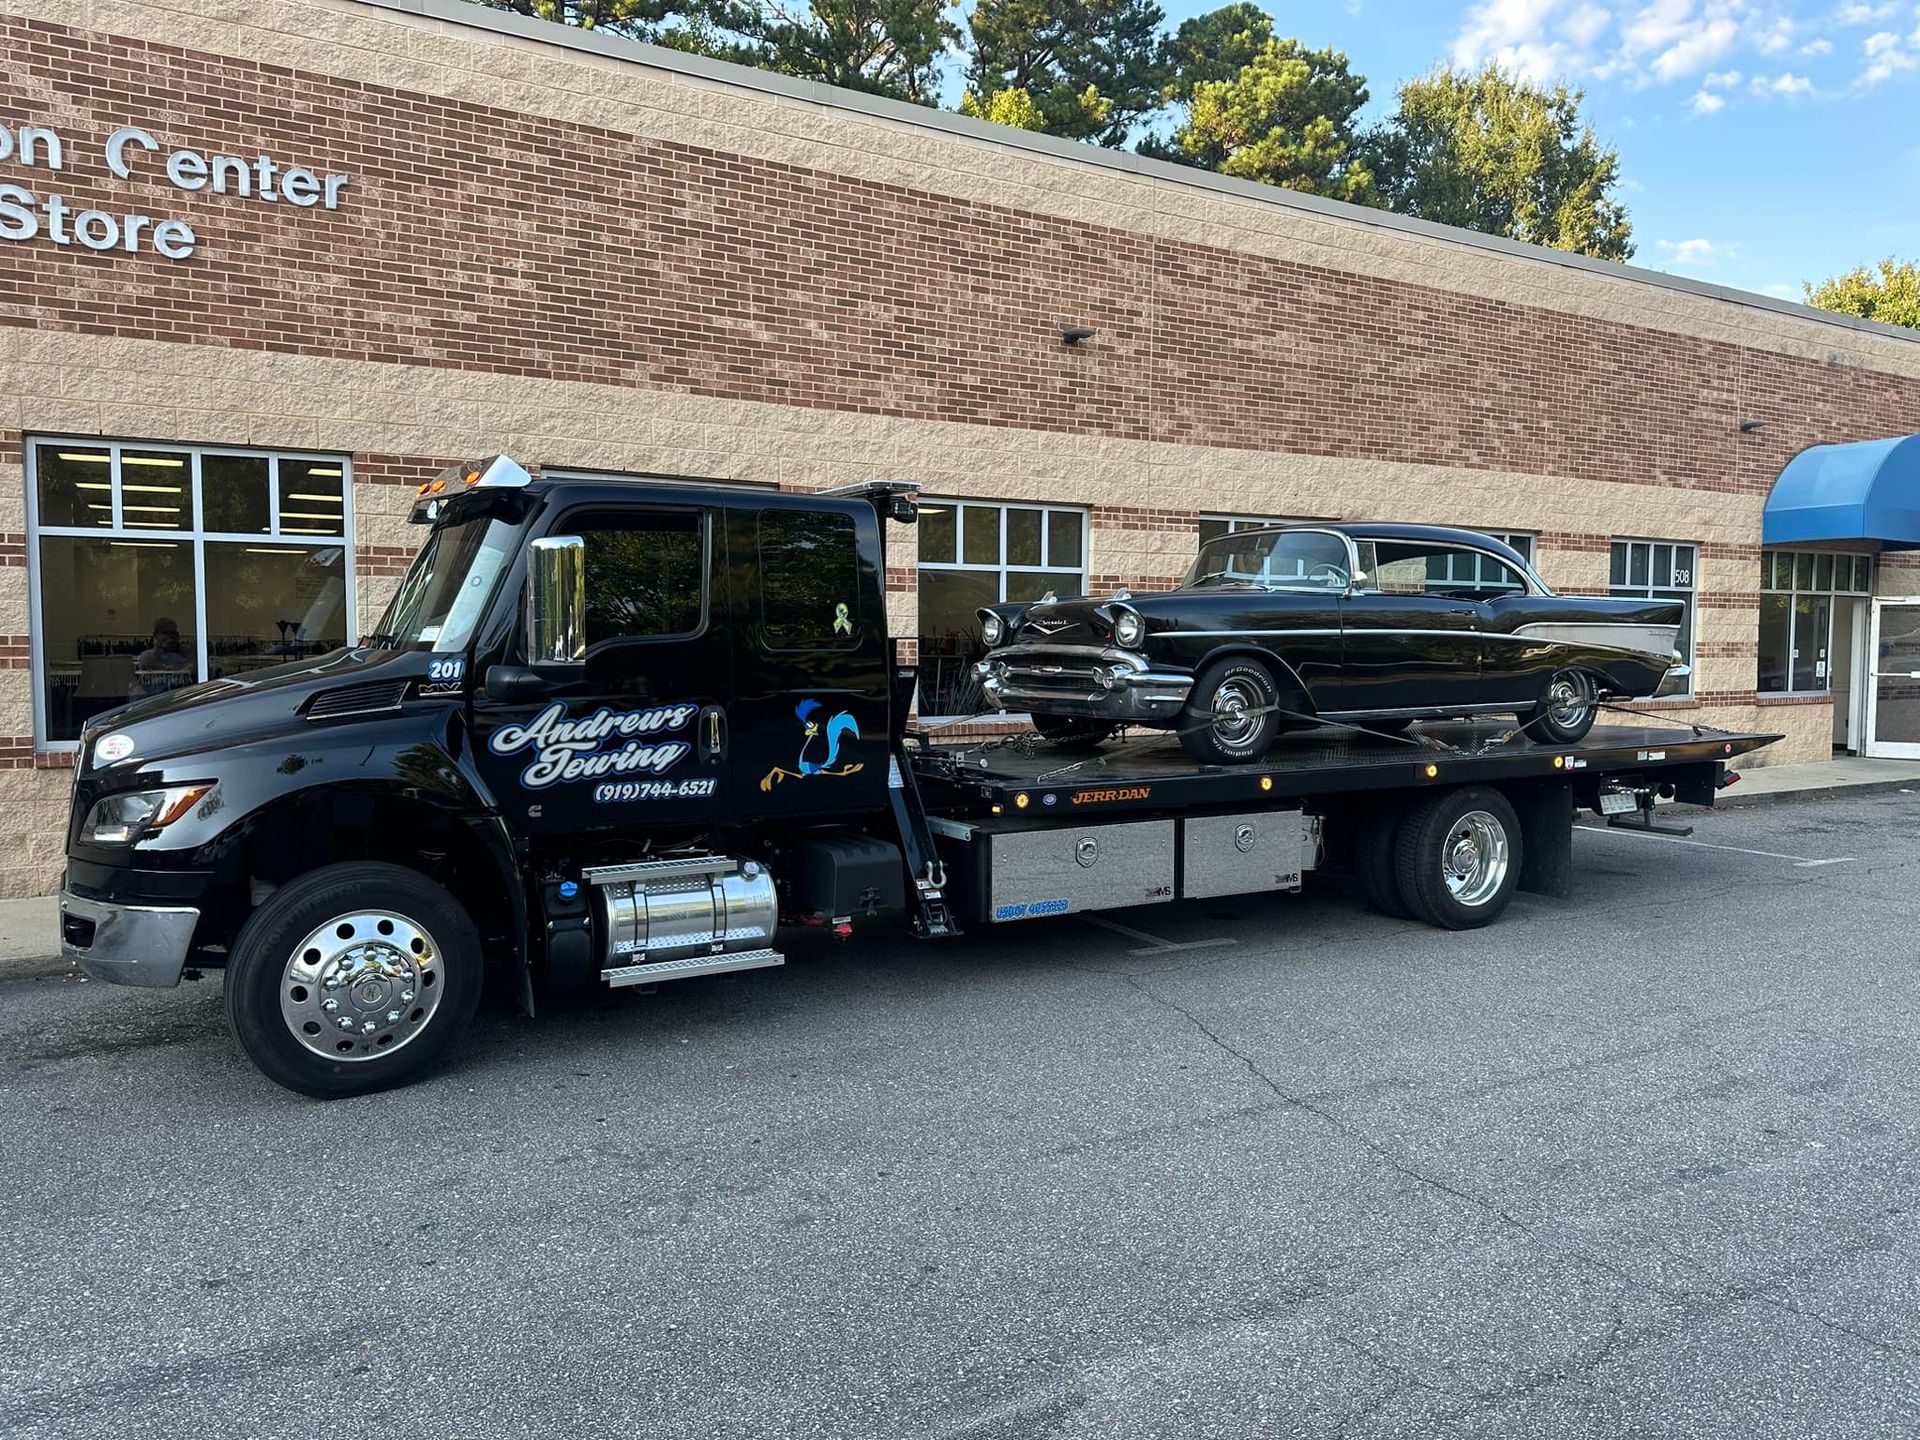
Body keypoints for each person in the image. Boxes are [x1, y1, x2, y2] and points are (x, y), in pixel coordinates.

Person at [131, 617, 192, 695]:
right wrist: (159, 650)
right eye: (165, 633)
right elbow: (147, 670)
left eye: (172, 632)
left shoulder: (184, 653)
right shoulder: (147, 655)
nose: (170, 636)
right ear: (156, 635)